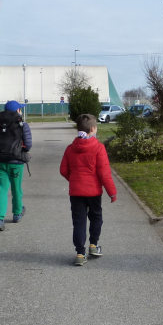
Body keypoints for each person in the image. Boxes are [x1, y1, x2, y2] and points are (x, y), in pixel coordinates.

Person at [59, 113, 118, 266]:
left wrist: (74, 180)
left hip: (76, 192)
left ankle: (80, 253)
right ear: (92, 129)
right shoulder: (98, 148)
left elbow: (63, 170)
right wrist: (112, 192)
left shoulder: (70, 149)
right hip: (94, 192)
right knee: (96, 218)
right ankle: (93, 245)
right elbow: (104, 173)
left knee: (79, 222)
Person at [0, 100, 32, 232]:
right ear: (17, 111)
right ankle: (17, 213)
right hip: (16, 162)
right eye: (20, 109)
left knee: (2, 189)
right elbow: (28, 145)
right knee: (16, 188)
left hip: (1, 161)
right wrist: (22, 151)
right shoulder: (22, 125)